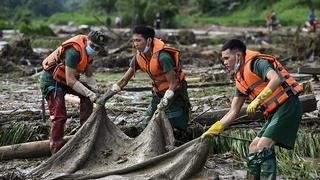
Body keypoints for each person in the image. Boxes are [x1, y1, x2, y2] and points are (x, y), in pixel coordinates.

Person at [201, 39, 303, 179]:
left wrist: (257, 100)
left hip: (288, 105)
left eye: (226, 58)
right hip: (274, 112)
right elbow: (233, 112)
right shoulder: (240, 79)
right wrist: (212, 130)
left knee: (263, 146)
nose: (224, 62)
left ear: (237, 55)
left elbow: (276, 79)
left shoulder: (257, 63)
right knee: (254, 147)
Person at [110, 25, 190, 131]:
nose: (135, 44)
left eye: (138, 40)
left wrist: (166, 99)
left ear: (149, 40)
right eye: (134, 41)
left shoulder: (163, 57)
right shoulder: (138, 58)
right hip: (158, 96)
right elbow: (124, 80)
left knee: (174, 127)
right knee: (146, 125)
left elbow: (173, 83)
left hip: (175, 95)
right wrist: (107, 96)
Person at [40, 31, 107, 154]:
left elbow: (89, 74)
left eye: (97, 48)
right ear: (87, 40)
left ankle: (84, 135)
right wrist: (90, 93)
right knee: (60, 116)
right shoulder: (73, 52)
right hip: (52, 82)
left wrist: (95, 90)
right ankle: (56, 149)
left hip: (66, 80)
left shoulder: (89, 54)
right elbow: (71, 81)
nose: (93, 49)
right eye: (92, 45)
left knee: (87, 97)